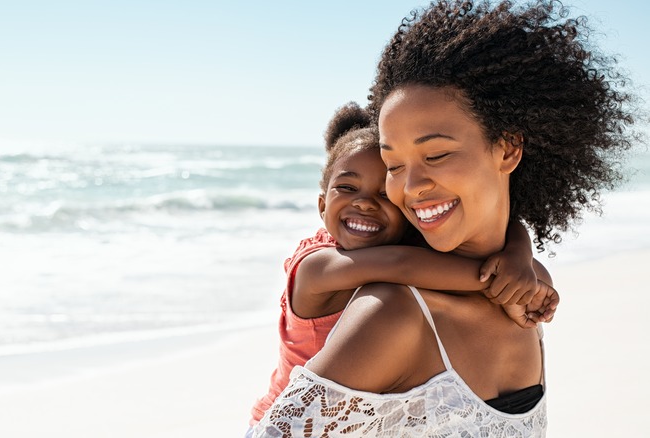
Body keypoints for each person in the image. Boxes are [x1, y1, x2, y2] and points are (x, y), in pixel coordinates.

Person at [252, 0, 638, 436]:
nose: (410, 186)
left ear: (508, 150)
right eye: (394, 164)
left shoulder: (522, 290)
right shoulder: (392, 313)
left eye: (436, 154)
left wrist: (518, 254)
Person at [248, 101, 558, 433]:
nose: (364, 202)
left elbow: (499, 228)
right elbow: (403, 265)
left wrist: (518, 254)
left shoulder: (397, 248)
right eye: (347, 188)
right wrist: (502, 282)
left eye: (384, 193)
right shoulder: (317, 265)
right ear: (322, 204)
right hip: (290, 414)